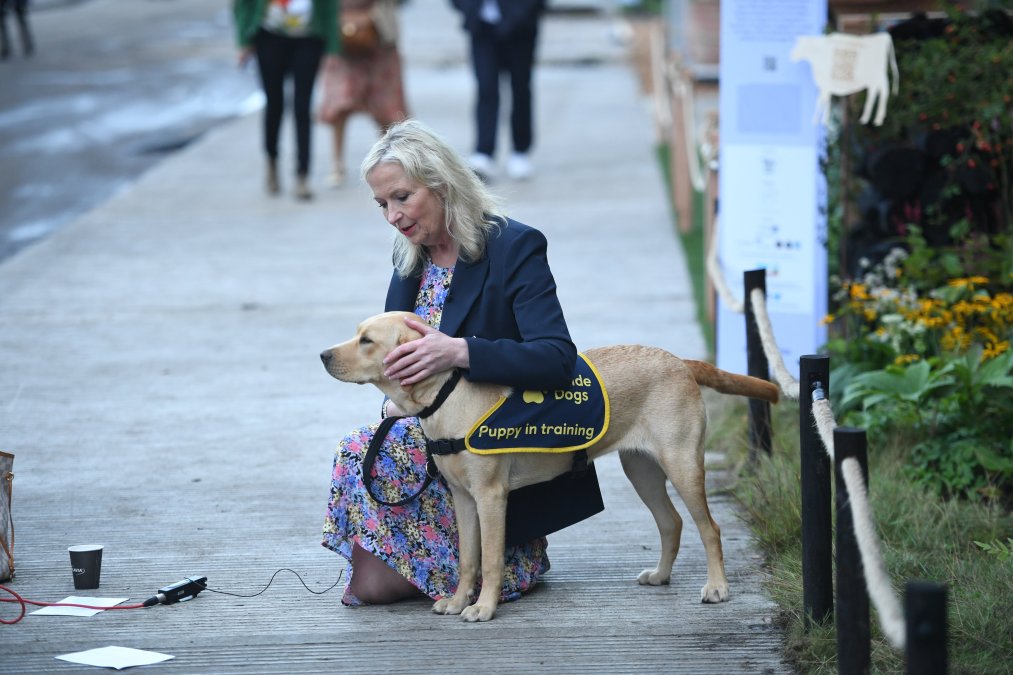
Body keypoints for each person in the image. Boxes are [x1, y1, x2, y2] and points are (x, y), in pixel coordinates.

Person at [322, 118, 578, 605]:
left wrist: (461, 349)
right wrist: (395, 403)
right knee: (362, 449)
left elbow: (557, 358)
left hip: (498, 442)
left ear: (440, 183)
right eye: (382, 204)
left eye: (402, 197)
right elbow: (390, 362)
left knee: (363, 459)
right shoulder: (409, 258)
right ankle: (432, 567)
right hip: (430, 434)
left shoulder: (514, 246)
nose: (393, 216)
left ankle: (499, 564)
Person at [233, 0, 339, 201]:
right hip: (269, 37)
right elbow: (242, 4)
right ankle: (272, 160)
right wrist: (243, 41)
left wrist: (333, 48)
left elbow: (330, 6)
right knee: (274, 104)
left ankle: (302, 175)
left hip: (308, 38)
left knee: (302, 107)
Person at [450, 0, 546, 182]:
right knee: (486, 89)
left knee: (520, 89)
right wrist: (468, 9)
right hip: (481, 27)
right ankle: (484, 152)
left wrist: (523, 13)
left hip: (521, 27)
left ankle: (520, 150)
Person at [317, 0, 408, 188]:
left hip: (378, 34)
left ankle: (390, 160)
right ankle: (337, 164)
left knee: (386, 108)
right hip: (341, 37)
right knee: (339, 105)